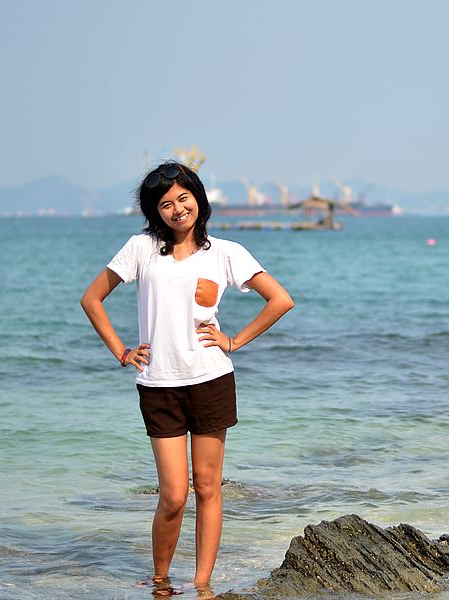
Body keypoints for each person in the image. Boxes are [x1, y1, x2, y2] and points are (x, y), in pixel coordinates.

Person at [80, 161, 293, 591]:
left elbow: (280, 299)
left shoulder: (226, 253)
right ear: (155, 212)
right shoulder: (141, 248)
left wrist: (233, 341)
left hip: (211, 380)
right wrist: (121, 350)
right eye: (166, 204)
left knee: (209, 487)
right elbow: (92, 298)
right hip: (158, 384)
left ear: (198, 197)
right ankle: (160, 579)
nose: (178, 209)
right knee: (174, 494)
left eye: (183, 198)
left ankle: (201, 585)